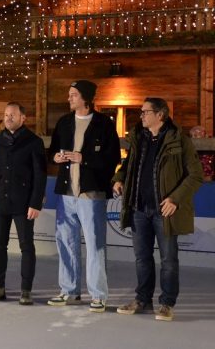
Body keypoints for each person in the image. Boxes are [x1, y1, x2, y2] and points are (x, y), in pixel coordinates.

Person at [113, 98, 203, 322]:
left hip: (164, 211)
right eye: (141, 112)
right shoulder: (138, 138)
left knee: (169, 260)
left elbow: (195, 175)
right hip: (138, 209)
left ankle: (166, 304)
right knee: (142, 258)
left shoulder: (179, 140)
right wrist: (119, 178)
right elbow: (127, 166)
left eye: (145, 112)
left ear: (160, 115)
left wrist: (175, 198)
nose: (141, 116)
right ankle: (142, 300)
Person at [47, 80, 120, 313]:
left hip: (92, 194)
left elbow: (112, 159)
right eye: (69, 94)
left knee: (95, 245)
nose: (69, 98)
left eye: (74, 95)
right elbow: (52, 151)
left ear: (86, 98)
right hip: (66, 194)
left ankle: (98, 295)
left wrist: (84, 159)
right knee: (66, 243)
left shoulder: (104, 124)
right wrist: (56, 158)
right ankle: (69, 290)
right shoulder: (64, 122)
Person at [0, 102, 47, 305]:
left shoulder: (33, 142)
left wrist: (35, 203)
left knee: (26, 246)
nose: (8, 118)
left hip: (23, 203)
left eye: (13, 115)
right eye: (6, 115)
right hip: (0, 200)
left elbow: (40, 175)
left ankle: (26, 290)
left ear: (23, 118)